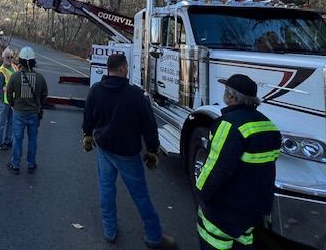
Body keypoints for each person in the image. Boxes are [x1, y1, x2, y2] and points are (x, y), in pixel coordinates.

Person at [82, 54, 177, 249]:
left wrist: (87, 134)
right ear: (123, 69)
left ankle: (109, 231)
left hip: (104, 150)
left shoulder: (96, 90)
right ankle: (153, 236)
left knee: (106, 190)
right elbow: (149, 126)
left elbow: (88, 115)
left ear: (109, 69)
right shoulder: (135, 95)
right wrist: (152, 151)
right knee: (140, 196)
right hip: (127, 155)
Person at [196, 74, 281, 250]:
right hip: (253, 209)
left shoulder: (228, 125)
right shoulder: (269, 125)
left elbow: (216, 169)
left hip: (225, 208)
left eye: (226, 91)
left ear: (231, 96)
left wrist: (202, 196)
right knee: (244, 242)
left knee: (213, 241)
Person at [5, 46, 48, 174]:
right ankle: (31, 164)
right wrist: (38, 104)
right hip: (34, 113)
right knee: (32, 139)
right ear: (33, 61)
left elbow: (8, 94)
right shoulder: (40, 78)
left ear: (21, 60)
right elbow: (44, 94)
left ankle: (15, 164)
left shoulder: (14, 76)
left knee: (17, 139)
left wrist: (13, 104)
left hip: (19, 112)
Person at [0, 47, 17, 150]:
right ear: (3, 58)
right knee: (2, 122)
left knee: (11, 121)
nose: (10, 59)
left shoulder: (14, 67)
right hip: (4, 102)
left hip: (13, 101)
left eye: (11, 57)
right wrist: (3, 100)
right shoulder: (1, 72)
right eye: (8, 57)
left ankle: (8, 140)